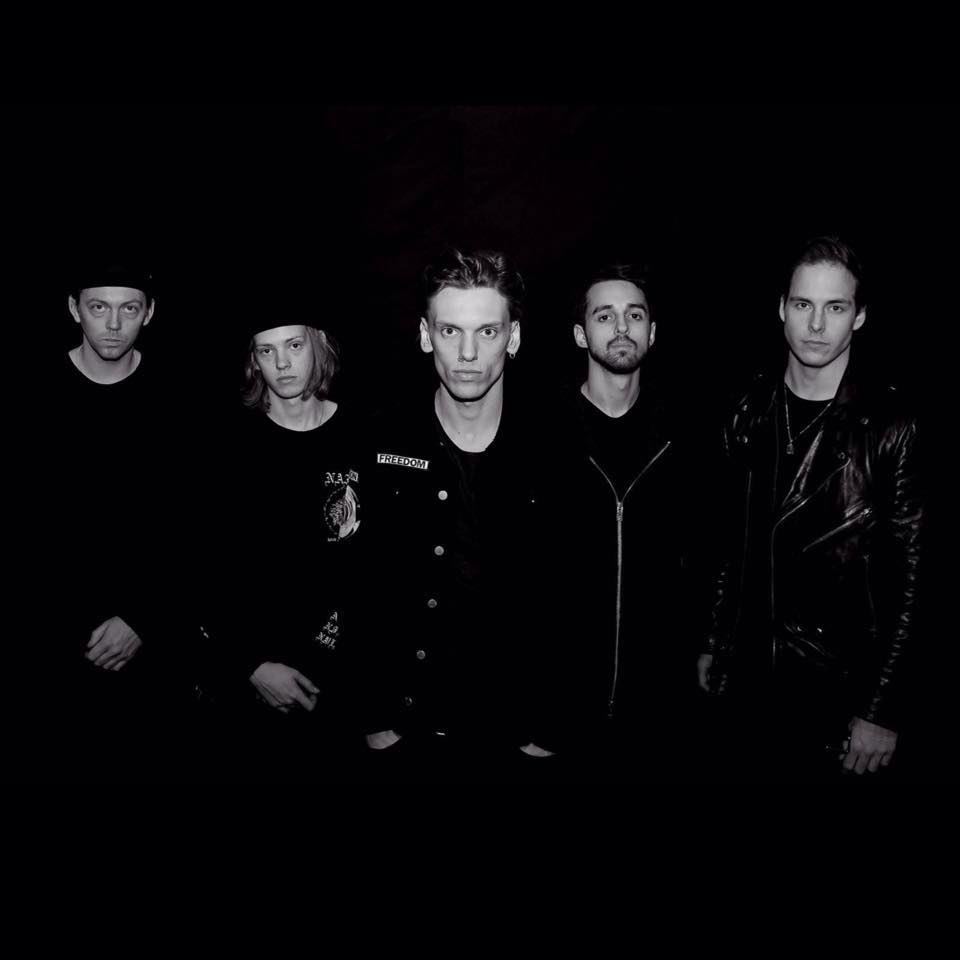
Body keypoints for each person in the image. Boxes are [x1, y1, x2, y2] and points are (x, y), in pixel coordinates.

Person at [698, 236, 923, 781]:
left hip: (836, 696)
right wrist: (715, 643)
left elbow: (915, 578)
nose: (816, 324)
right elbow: (728, 544)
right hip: (747, 688)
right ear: (781, 308)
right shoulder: (747, 410)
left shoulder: (891, 426)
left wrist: (882, 708)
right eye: (803, 304)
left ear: (859, 317)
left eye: (835, 307)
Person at [355, 248, 550, 780]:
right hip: (406, 733)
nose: (467, 353)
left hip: (517, 734)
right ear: (425, 335)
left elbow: (579, 593)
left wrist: (549, 726)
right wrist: (376, 718)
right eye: (449, 331)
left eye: (487, 332)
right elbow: (355, 582)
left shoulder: (556, 453)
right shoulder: (380, 439)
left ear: (513, 338)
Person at [529, 262, 713, 780]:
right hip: (557, 712)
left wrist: (706, 645)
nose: (621, 327)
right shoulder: (541, 434)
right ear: (580, 333)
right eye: (604, 315)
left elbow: (708, 551)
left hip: (657, 713)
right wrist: (528, 704)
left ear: (652, 332)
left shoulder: (685, 435)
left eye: (634, 315)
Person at [32, 261, 190, 781]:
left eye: (130, 308)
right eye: (99, 307)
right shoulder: (29, 394)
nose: (115, 324)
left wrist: (145, 618)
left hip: (153, 649)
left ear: (150, 312)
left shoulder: (181, 400)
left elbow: (200, 528)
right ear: (74, 308)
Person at [197, 308, 363, 781]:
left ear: (318, 344)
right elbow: (200, 569)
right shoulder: (225, 445)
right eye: (266, 351)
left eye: (294, 345)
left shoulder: (365, 435)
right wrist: (248, 665)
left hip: (344, 687)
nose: (283, 363)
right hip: (248, 689)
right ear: (254, 360)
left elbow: (378, 565)